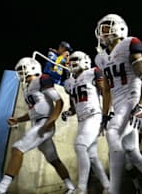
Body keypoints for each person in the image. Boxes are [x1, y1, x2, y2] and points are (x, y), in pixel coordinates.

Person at [94, 13, 142, 194]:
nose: (102, 32)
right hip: (118, 105)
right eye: (101, 29)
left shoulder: (130, 44)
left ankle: (114, 190)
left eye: (106, 27)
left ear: (119, 27)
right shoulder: (101, 58)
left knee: (113, 134)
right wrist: (104, 114)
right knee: (131, 151)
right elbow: (107, 90)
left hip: (132, 99)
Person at [0, 57, 75, 194]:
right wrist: (18, 119)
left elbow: (59, 102)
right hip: (38, 122)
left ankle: (1, 189)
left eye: (23, 70)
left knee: (17, 148)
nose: (21, 73)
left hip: (44, 123)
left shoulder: (42, 79)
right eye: (19, 71)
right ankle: (71, 188)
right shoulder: (27, 89)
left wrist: (51, 121)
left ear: (32, 68)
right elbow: (33, 112)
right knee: (53, 159)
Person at [61, 51, 110, 194]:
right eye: (72, 60)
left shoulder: (93, 72)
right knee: (92, 156)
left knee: (80, 146)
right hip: (82, 120)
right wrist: (67, 113)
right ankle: (107, 185)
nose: (73, 62)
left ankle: (81, 188)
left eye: (77, 59)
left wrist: (106, 114)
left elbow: (106, 92)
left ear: (85, 60)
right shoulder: (69, 82)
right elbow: (73, 107)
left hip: (94, 116)